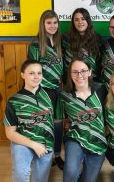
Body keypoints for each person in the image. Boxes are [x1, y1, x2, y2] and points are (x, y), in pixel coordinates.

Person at [55, 57, 107, 182]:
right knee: (70, 173)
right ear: (70, 74)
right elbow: (57, 122)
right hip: (75, 138)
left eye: (83, 71)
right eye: (75, 72)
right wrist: (57, 151)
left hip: (97, 141)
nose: (79, 75)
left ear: (89, 72)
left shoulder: (101, 90)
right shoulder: (64, 95)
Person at [3, 59, 54, 182]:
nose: (36, 77)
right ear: (22, 75)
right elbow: (10, 133)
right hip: (23, 142)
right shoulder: (14, 100)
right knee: (21, 173)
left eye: (39, 73)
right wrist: (33, 144)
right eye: (31, 73)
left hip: (45, 143)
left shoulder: (50, 96)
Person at [27, 10, 64, 170]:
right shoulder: (36, 44)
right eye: (49, 23)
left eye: (55, 22)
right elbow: (32, 69)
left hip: (58, 89)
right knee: (43, 123)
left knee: (58, 123)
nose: (52, 26)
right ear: (43, 24)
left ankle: (57, 154)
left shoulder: (60, 43)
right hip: (43, 89)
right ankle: (43, 155)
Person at [62, 8, 102, 85]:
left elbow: (100, 63)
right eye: (76, 20)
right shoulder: (65, 38)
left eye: (83, 19)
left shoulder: (97, 39)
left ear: (88, 21)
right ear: (73, 23)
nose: (80, 22)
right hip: (71, 81)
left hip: (92, 81)